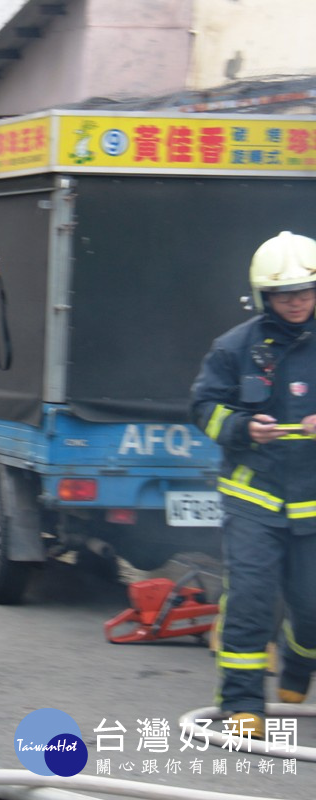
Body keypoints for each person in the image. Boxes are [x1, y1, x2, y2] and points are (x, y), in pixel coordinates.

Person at [191, 230, 316, 740]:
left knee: (311, 606)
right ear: (265, 296)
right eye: (285, 295)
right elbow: (202, 408)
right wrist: (244, 427)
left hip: (312, 502)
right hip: (252, 499)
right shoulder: (235, 347)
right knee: (250, 599)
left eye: (306, 292)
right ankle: (242, 702)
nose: (297, 303)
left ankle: (297, 668)